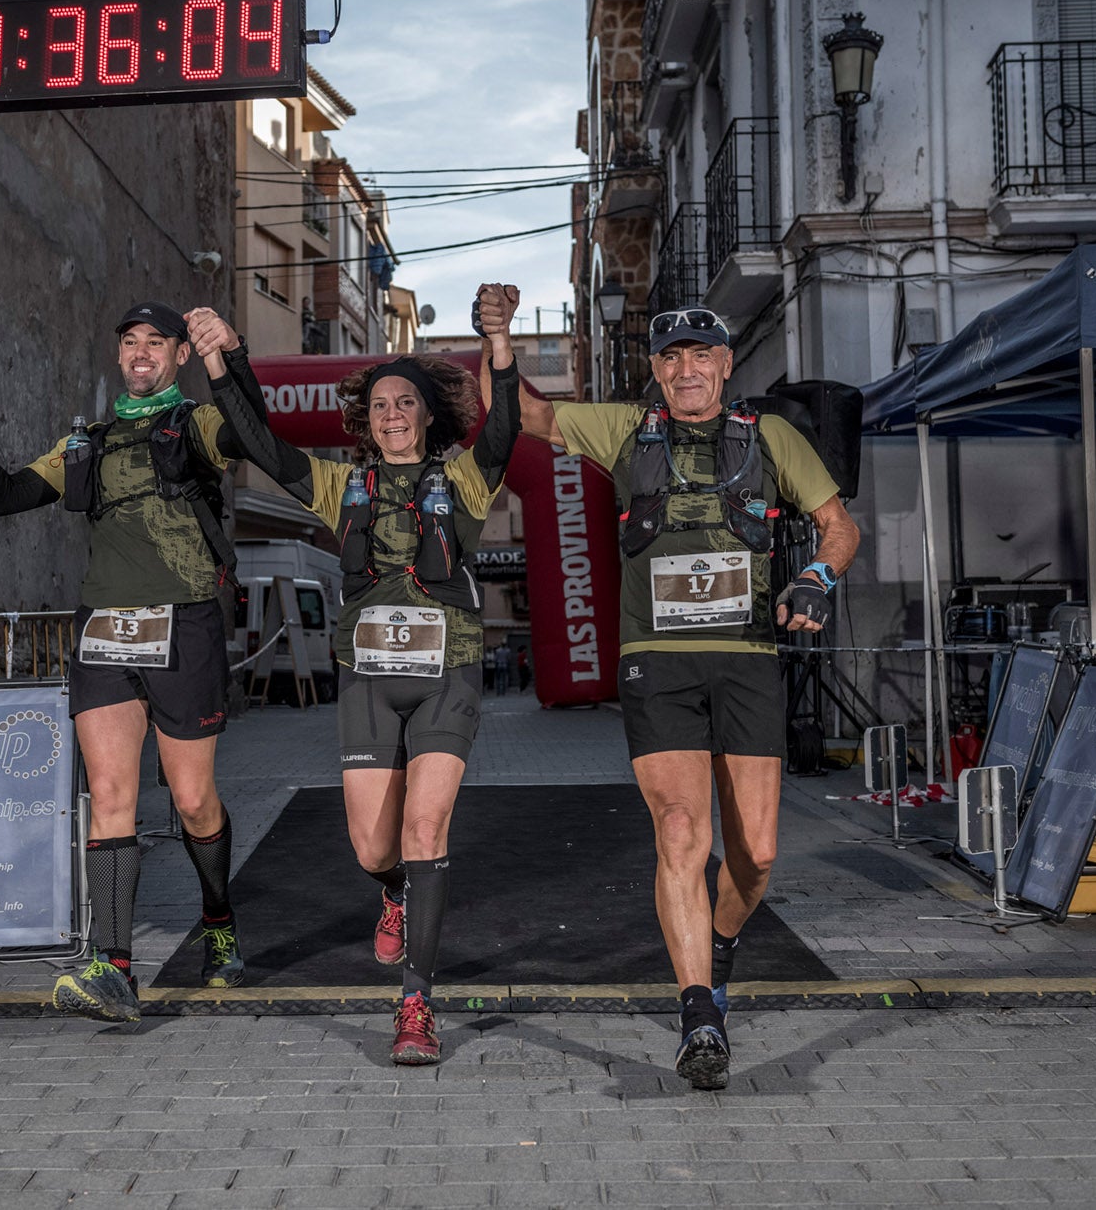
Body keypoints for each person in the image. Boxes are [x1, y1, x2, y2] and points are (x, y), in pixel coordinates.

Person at [513, 305, 858, 1090]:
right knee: (679, 830)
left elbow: (839, 526)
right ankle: (699, 1011)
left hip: (744, 659)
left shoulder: (772, 438)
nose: (686, 369)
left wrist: (817, 576)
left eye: (701, 354)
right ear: (659, 370)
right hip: (656, 660)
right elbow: (527, 414)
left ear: (727, 362)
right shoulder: (624, 430)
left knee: (757, 853)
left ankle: (721, 938)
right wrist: (500, 342)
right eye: (672, 358)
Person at [193, 288, 520, 1065]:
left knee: (425, 828)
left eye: (406, 401)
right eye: (381, 404)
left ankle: (415, 1006)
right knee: (375, 845)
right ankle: (394, 890)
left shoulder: (466, 482)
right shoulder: (345, 487)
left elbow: (503, 428)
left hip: (449, 669)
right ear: (365, 419)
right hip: (367, 679)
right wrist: (221, 359)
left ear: (429, 414)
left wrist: (498, 340)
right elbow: (262, 445)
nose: (394, 413)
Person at [0, 301, 270, 1018]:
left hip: (186, 625)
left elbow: (252, 434)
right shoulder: (89, 441)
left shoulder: (197, 424)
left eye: (156, 342)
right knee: (109, 799)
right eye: (129, 343)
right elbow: (3, 494)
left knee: (191, 799)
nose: (141, 353)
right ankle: (113, 967)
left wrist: (229, 359)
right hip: (105, 631)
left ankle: (217, 918)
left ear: (177, 354)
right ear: (119, 356)